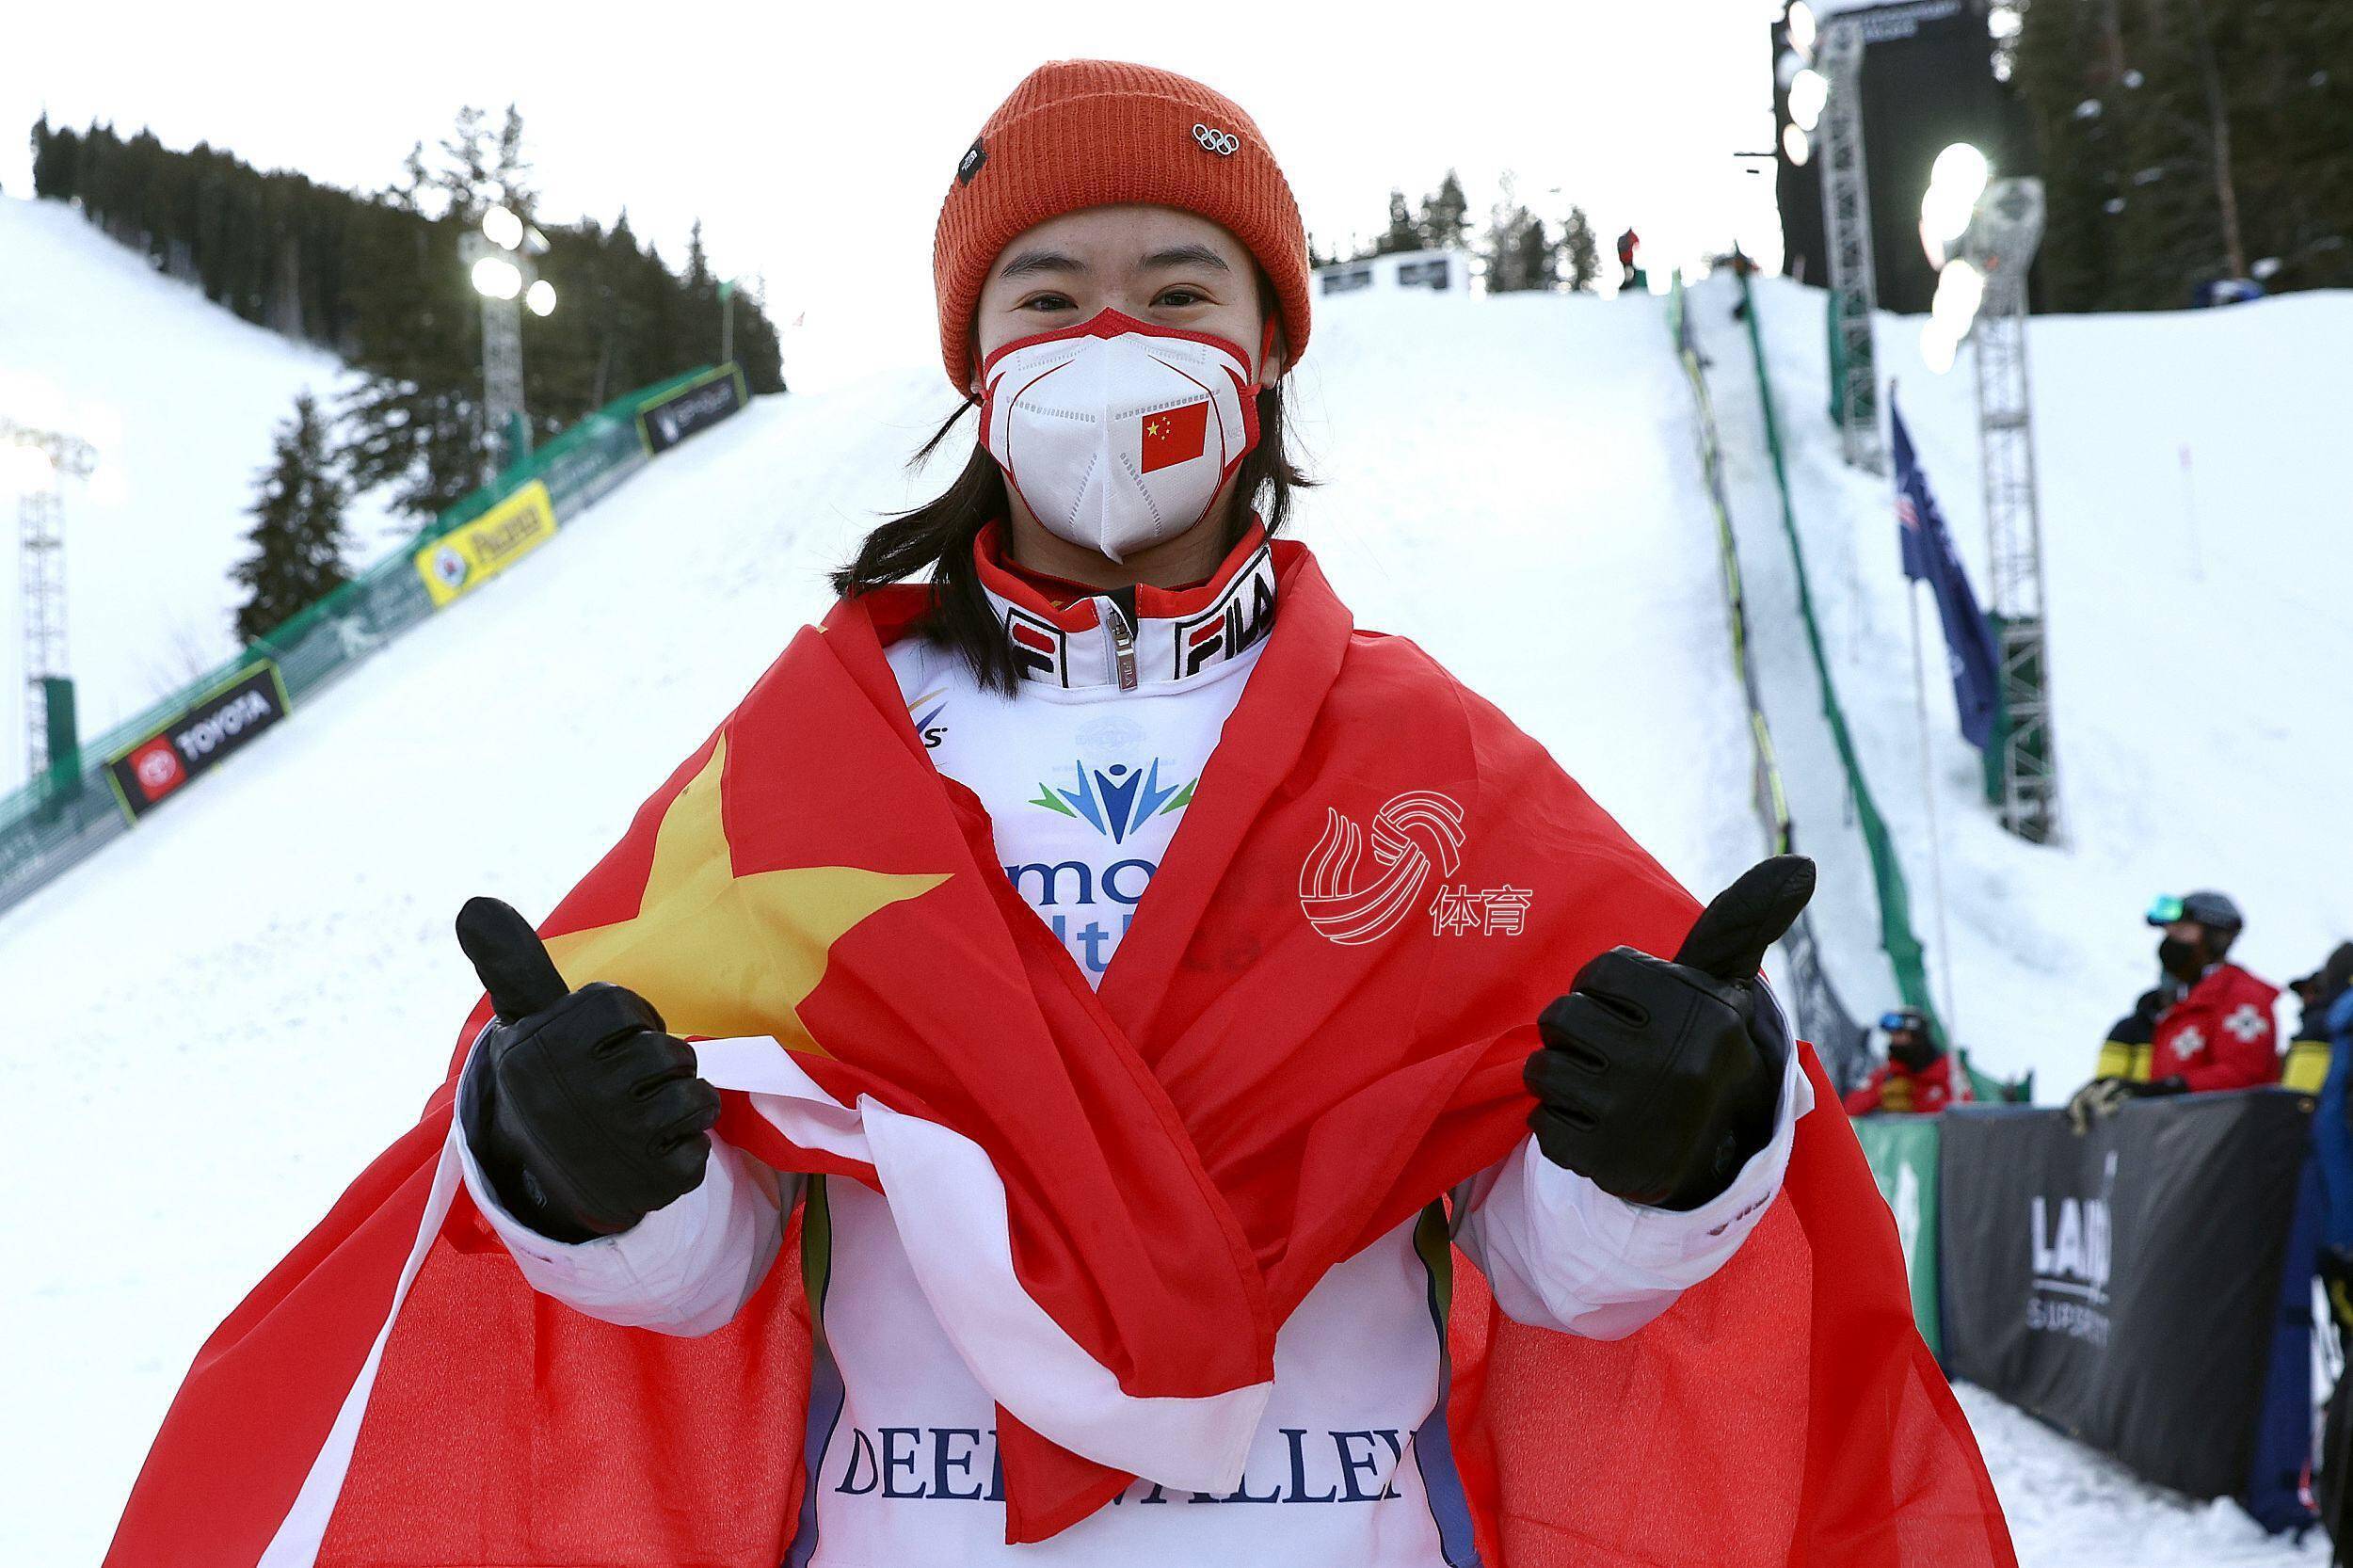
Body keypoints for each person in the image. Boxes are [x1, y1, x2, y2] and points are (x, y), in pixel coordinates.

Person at [106, 63, 2011, 1568]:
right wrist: (582, 1179)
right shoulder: (816, 755)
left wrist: (1663, 1158)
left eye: (1177, 287)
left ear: (1262, 348)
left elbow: (1542, 1271)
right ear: (980, 362)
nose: (1114, 334)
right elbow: (712, 1270)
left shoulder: (1426, 765)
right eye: (1049, 291)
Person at [2068, 889, 2281, 1129]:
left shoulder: (2241, 996)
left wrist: (2165, 1089)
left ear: (2215, 936)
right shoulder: (2183, 1004)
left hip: (2223, 1145)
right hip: (2181, 1146)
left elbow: (2244, 1074)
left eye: (2181, 931)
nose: (2170, 940)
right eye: (2168, 932)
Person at [1843, 1006, 1962, 1115]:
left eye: (1900, 1034)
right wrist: (1881, 1096)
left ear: (1917, 1037)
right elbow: (1850, 1108)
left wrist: (1914, 1105)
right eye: (1892, 1036)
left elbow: (1963, 1110)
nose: (1894, 1041)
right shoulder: (1889, 1074)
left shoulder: (1950, 1068)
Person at [1616, 226, 1641, 290]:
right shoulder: (1631, 236)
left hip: (1623, 258)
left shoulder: (1623, 238)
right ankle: (1626, 287)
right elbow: (1637, 243)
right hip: (1628, 258)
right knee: (1630, 273)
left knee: (1628, 272)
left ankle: (1627, 286)